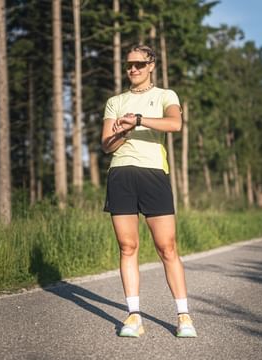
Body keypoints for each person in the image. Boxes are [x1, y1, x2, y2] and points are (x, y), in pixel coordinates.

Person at [101, 44, 197, 338]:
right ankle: (133, 317)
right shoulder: (115, 101)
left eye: (139, 64)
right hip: (120, 174)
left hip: (154, 174)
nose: (133, 69)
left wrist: (139, 120)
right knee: (127, 247)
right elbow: (107, 145)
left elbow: (175, 123)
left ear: (151, 65)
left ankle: (183, 316)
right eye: (129, 65)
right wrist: (123, 132)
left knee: (167, 247)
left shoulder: (165, 95)